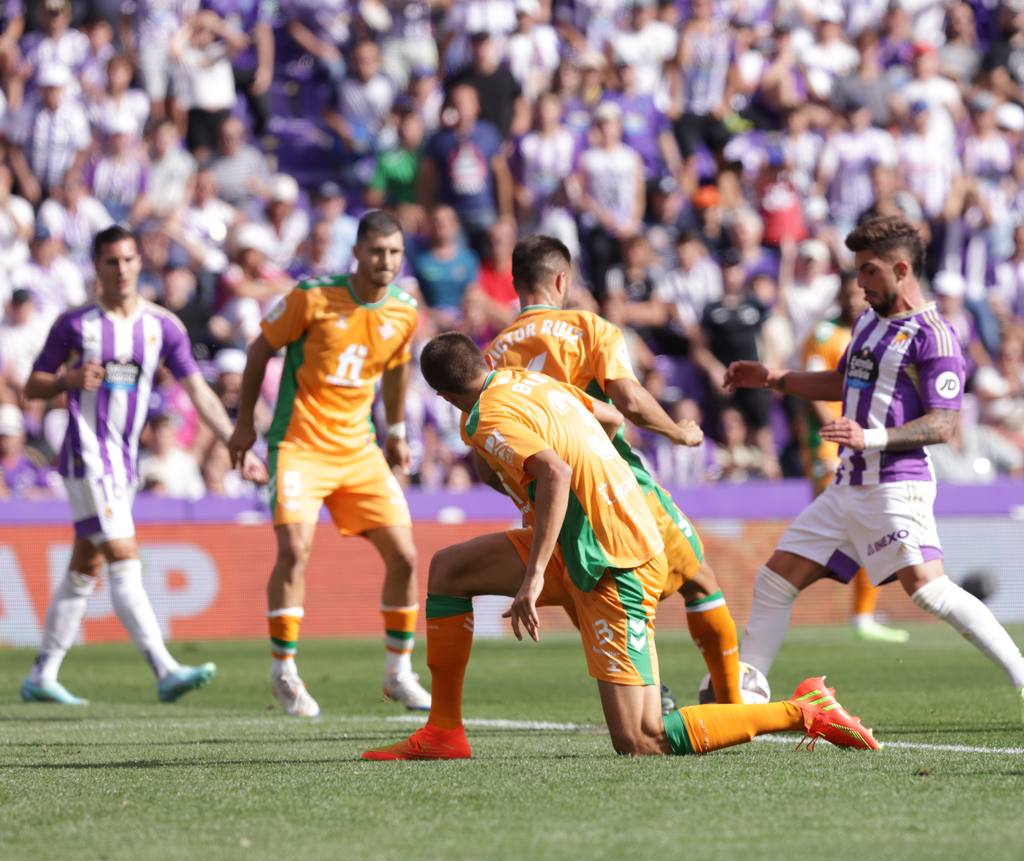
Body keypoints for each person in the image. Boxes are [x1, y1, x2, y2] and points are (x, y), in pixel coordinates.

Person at [360, 333, 879, 760]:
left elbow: (555, 473)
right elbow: (609, 420)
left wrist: (535, 571)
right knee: (451, 569)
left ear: (444, 396)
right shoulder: (531, 382)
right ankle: (444, 732)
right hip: (595, 534)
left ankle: (801, 708)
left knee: (641, 740)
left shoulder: (486, 419)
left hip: (610, 557)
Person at [723, 217, 1024, 724]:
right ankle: (746, 696)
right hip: (847, 486)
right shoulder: (868, 320)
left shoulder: (935, 337)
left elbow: (943, 425)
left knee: (927, 589)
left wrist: (869, 436)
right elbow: (843, 382)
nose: (859, 283)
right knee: (775, 581)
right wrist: (774, 378)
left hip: (896, 485)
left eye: (869, 271)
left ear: (901, 269)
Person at [481, 234, 743, 704]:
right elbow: (629, 401)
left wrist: (535, 491)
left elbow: (487, 463)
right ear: (562, 279)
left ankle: (649, 690)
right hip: (617, 485)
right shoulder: (588, 326)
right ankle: (732, 701)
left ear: (516, 284)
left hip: (555, 510)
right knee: (699, 579)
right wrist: (679, 432)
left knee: (595, 603)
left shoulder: (491, 358)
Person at [19, 224, 265, 705]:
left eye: (130, 260)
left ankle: (42, 674)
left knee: (84, 567)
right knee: (124, 560)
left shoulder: (161, 327)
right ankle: (164, 668)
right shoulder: (76, 325)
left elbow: (198, 391)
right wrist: (67, 379)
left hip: (124, 462)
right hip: (87, 457)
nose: (123, 269)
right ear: (97, 267)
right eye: (112, 261)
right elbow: (33, 385)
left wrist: (236, 440)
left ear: (139, 263)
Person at [228, 210, 429, 718]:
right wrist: (244, 425)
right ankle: (283, 669)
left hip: (358, 448)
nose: (386, 261)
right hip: (298, 444)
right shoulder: (313, 297)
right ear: (357, 252)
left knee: (406, 556)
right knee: (295, 548)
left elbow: (397, 370)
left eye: (395, 253)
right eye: (377, 252)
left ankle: (399, 671)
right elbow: (259, 351)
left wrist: (398, 432)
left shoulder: (404, 311)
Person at [798, 274, 908, 644]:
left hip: (866, 442)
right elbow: (814, 388)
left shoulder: (876, 333)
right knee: (851, 525)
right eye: (847, 293)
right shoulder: (825, 334)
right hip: (830, 444)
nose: (853, 300)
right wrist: (837, 429)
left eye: (858, 295)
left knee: (865, 527)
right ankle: (785, 589)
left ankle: (862, 614)